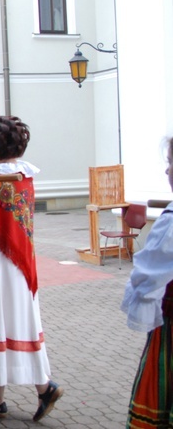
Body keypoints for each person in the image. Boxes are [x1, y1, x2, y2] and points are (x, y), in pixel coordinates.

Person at [0, 115, 62, 422]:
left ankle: (20, 393)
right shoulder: (24, 176)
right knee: (20, 322)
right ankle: (10, 395)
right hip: (20, 261)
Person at [121, 137, 173, 429]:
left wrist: (142, 303)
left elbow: (147, 273)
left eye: (170, 162)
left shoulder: (170, 222)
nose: (167, 171)